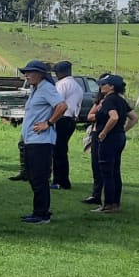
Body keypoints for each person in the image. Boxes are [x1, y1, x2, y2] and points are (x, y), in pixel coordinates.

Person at [18, 60, 66, 224]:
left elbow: (62, 106)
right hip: (32, 140)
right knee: (33, 177)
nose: (26, 75)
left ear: (40, 74)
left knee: (39, 178)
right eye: (25, 72)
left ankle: (42, 214)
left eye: (30, 72)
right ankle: (39, 210)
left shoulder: (46, 88)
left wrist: (48, 123)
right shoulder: (36, 89)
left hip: (41, 141)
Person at [88, 75, 136, 214]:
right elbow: (134, 118)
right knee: (115, 171)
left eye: (104, 84)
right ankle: (116, 203)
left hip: (109, 140)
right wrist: (122, 130)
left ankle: (108, 204)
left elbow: (114, 117)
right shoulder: (121, 100)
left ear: (111, 87)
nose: (101, 86)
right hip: (119, 137)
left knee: (107, 172)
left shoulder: (108, 100)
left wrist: (104, 132)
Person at [52, 61, 82, 190]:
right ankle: (63, 180)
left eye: (57, 72)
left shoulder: (62, 84)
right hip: (72, 118)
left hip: (62, 119)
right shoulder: (77, 86)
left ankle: (60, 181)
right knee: (62, 150)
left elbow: (58, 103)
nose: (56, 75)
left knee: (58, 151)